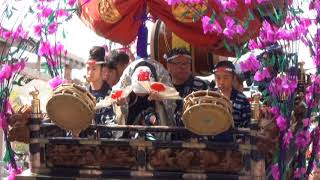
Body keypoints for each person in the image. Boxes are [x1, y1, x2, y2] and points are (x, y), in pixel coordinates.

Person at [112, 58, 176, 139]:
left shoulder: (160, 73)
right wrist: (120, 101)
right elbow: (115, 94)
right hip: (133, 104)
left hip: (155, 102)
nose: (142, 96)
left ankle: (162, 140)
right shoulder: (128, 74)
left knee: (161, 115)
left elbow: (172, 97)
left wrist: (162, 98)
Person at [164, 48, 212, 139]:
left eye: (186, 63)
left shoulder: (202, 86)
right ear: (168, 66)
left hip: (196, 140)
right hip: (167, 140)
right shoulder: (163, 86)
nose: (183, 67)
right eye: (178, 63)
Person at [85, 46, 116, 137]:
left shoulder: (111, 94)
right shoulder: (82, 93)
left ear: (102, 70)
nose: (90, 72)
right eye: (88, 69)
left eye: (94, 69)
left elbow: (112, 124)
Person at [213, 60, 251, 128]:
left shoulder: (242, 100)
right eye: (218, 78)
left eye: (226, 78)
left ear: (233, 78)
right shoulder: (210, 98)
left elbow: (246, 126)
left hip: (235, 138)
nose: (221, 82)